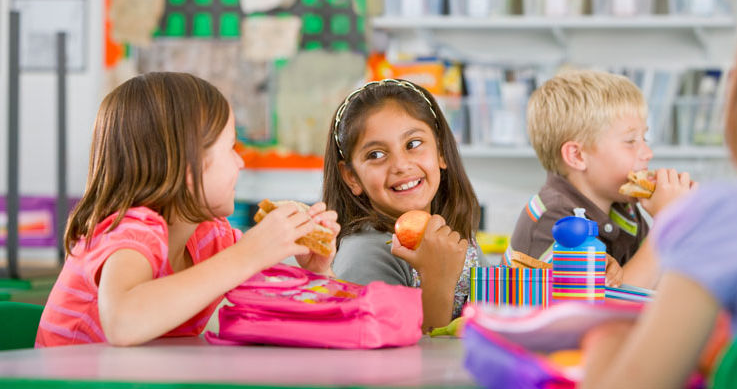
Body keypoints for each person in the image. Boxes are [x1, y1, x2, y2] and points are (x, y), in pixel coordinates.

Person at [36, 72, 339, 347]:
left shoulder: (211, 238)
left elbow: (292, 311)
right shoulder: (131, 230)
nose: (241, 162)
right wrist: (249, 253)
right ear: (185, 164)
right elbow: (122, 323)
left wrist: (317, 272)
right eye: (231, 148)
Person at [581, 18, 737, 389]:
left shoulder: (724, 212)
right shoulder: (561, 211)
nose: (648, 152)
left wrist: (606, 338)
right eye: (631, 141)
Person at [323, 78, 487, 332]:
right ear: (352, 177)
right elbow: (405, 359)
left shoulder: (458, 235)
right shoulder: (366, 252)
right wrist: (437, 280)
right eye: (376, 155)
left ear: (441, 150)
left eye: (413, 144)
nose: (401, 165)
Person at [509, 70, 695, 288]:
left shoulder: (625, 209)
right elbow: (604, 303)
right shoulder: (552, 218)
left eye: (644, 138)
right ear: (577, 156)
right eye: (630, 141)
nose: (647, 153)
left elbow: (659, 281)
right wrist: (665, 223)